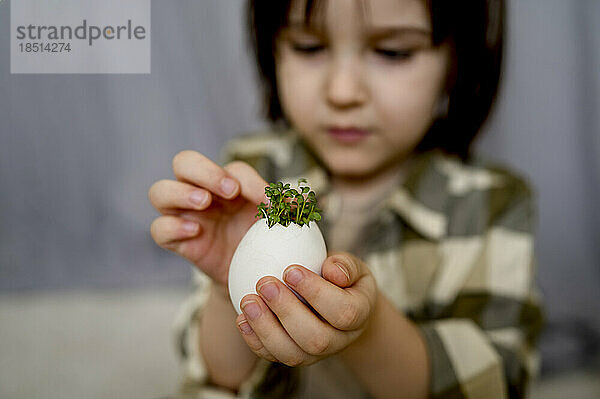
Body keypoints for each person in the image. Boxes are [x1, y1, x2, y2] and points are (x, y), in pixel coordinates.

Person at [148, 0, 543, 397]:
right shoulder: (252, 175)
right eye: (308, 48)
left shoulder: (487, 204)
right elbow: (219, 377)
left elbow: (495, 383)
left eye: (393, 52)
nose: (343, 92)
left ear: (457, 59)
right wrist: (228, 288)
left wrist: (366, 330)